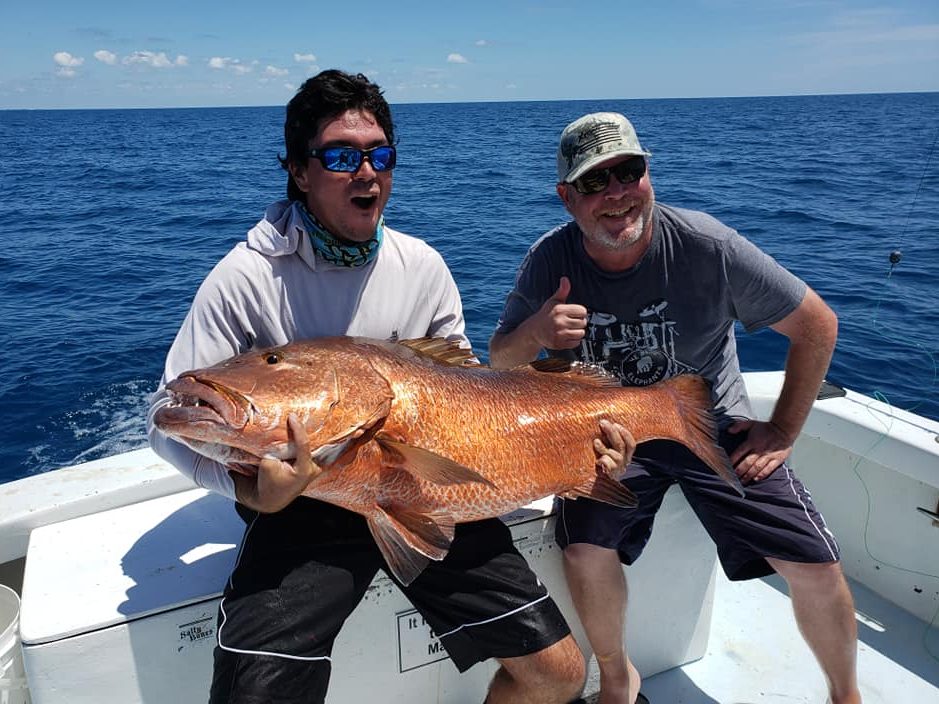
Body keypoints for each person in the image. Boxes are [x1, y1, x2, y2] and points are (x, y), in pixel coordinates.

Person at [147, 71, 632, 704]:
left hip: (427, 490)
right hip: (299, 505)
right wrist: (250, 489)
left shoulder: (422, 267)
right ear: (298, 170)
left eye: (380, 155)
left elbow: (469, 393)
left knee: (560, 673)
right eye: (342, 156)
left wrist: (580, 454)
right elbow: (168, 414)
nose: (366, 172)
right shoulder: (245, 277)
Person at [489, 112, 861, 704]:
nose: (615, 194)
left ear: (647, 174)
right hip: (607, 438)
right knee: (585, 550)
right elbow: (499, 363)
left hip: (710, 426)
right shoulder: (549, 259)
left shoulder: (706, 246)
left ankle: (847, 696)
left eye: (628, 172)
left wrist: (783, 429)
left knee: (814, 562)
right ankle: (617, 680)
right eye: (594, 182)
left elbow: (817, 325)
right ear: (567, 198)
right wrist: (535, 328)